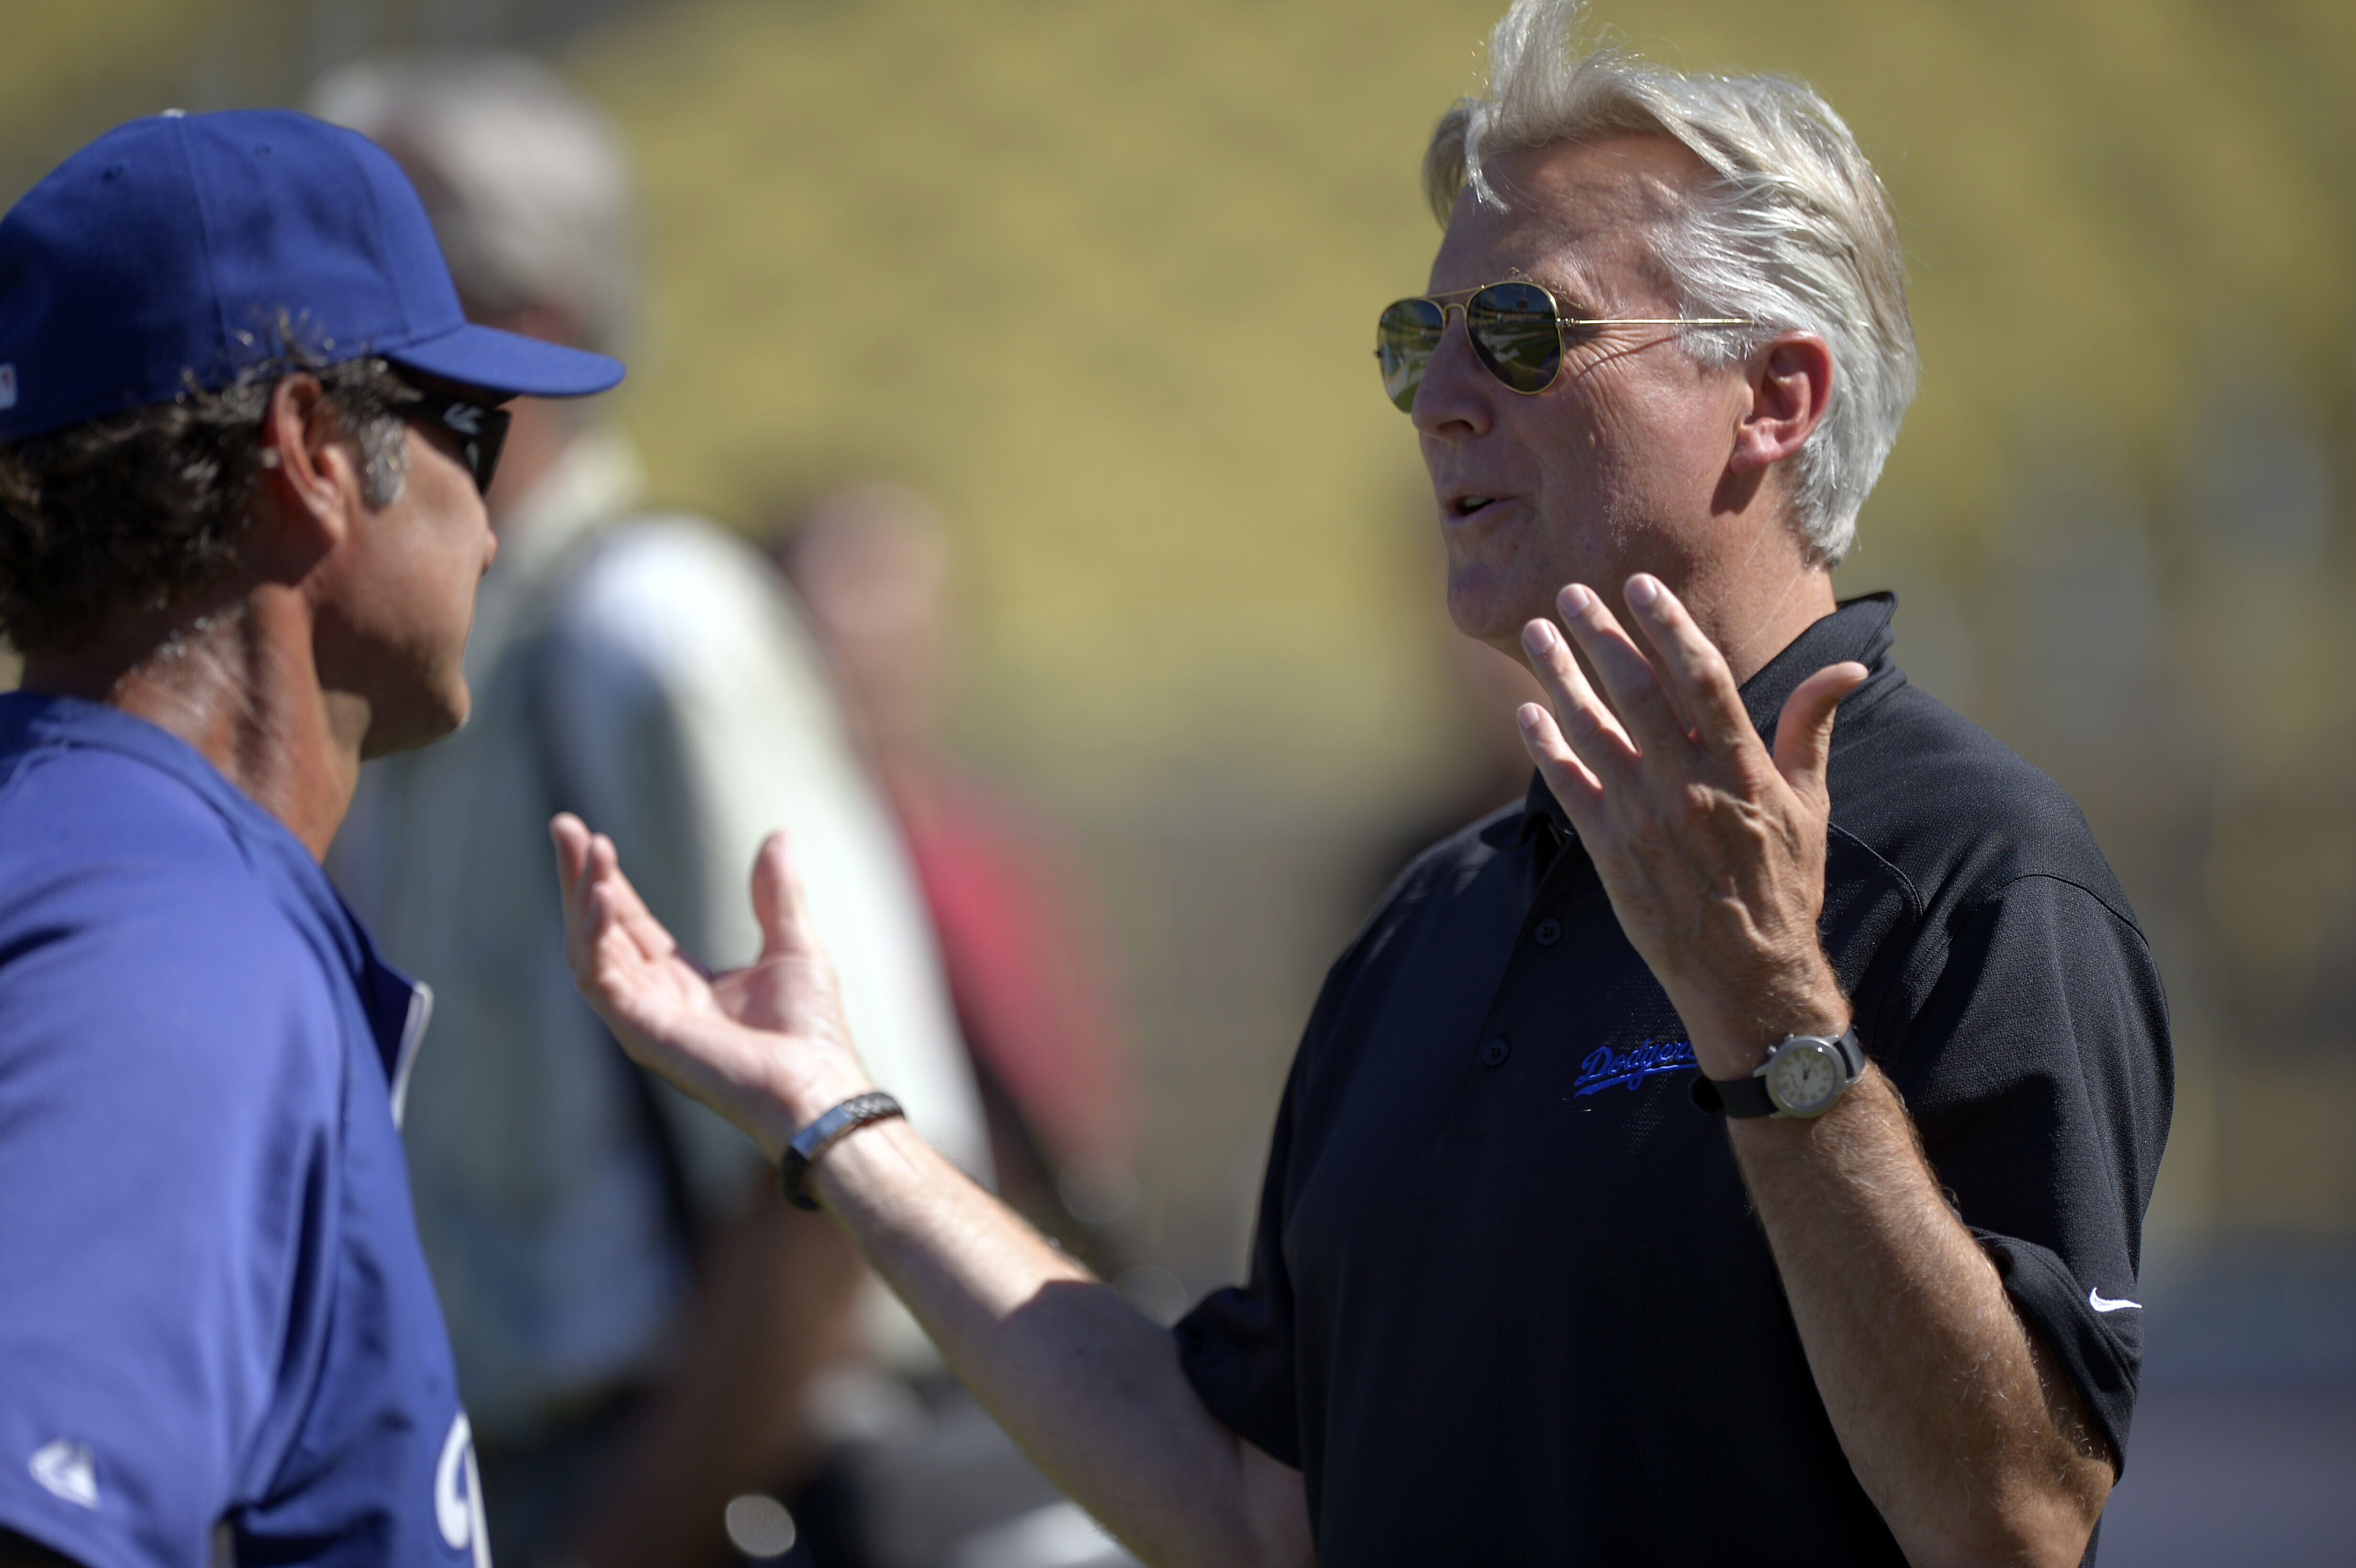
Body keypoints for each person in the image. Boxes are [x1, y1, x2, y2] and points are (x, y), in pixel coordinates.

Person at [549, 1, 2171, 1562]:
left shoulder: (1969, 871)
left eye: (1521, 334)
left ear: (1772, 398)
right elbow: (1255, 1510)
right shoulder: (1433, 920)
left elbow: (2008, 1520)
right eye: (1418, 342)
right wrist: (841, 1122)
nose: (1440, 402)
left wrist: (1768, 1024)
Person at [309, 58, 990, 1568]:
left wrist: (615, 1545)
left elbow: (839, 1183)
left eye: (364, 302)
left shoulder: (651, 637)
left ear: (525, 335)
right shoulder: (445, 656)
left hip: (696, 1505)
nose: (311, 356)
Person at [0, 109, 621, 1566]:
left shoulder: (96, 865)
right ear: (313, 452)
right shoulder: (166, 949)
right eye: (468, 422)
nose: (490, 519)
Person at [777, 484, 1143, 1268]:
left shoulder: (1002, 859)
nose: (884, 643)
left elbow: (1080, 1110)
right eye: (853, 596)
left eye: (908, 599)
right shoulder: (775, 870)